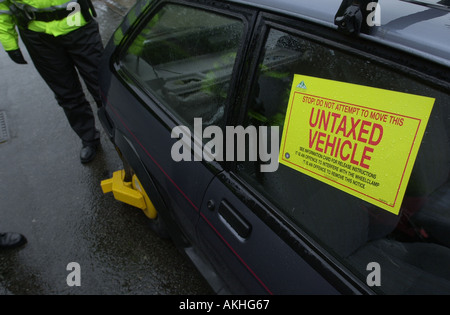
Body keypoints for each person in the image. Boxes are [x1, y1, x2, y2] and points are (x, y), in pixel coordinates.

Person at [0, 0, 104, 163]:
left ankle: (121, 134)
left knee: (102, 86)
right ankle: (89, 139)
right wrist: (9, 42)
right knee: (67, 93)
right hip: (38, 34)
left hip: (76, 22)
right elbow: (3, 7)